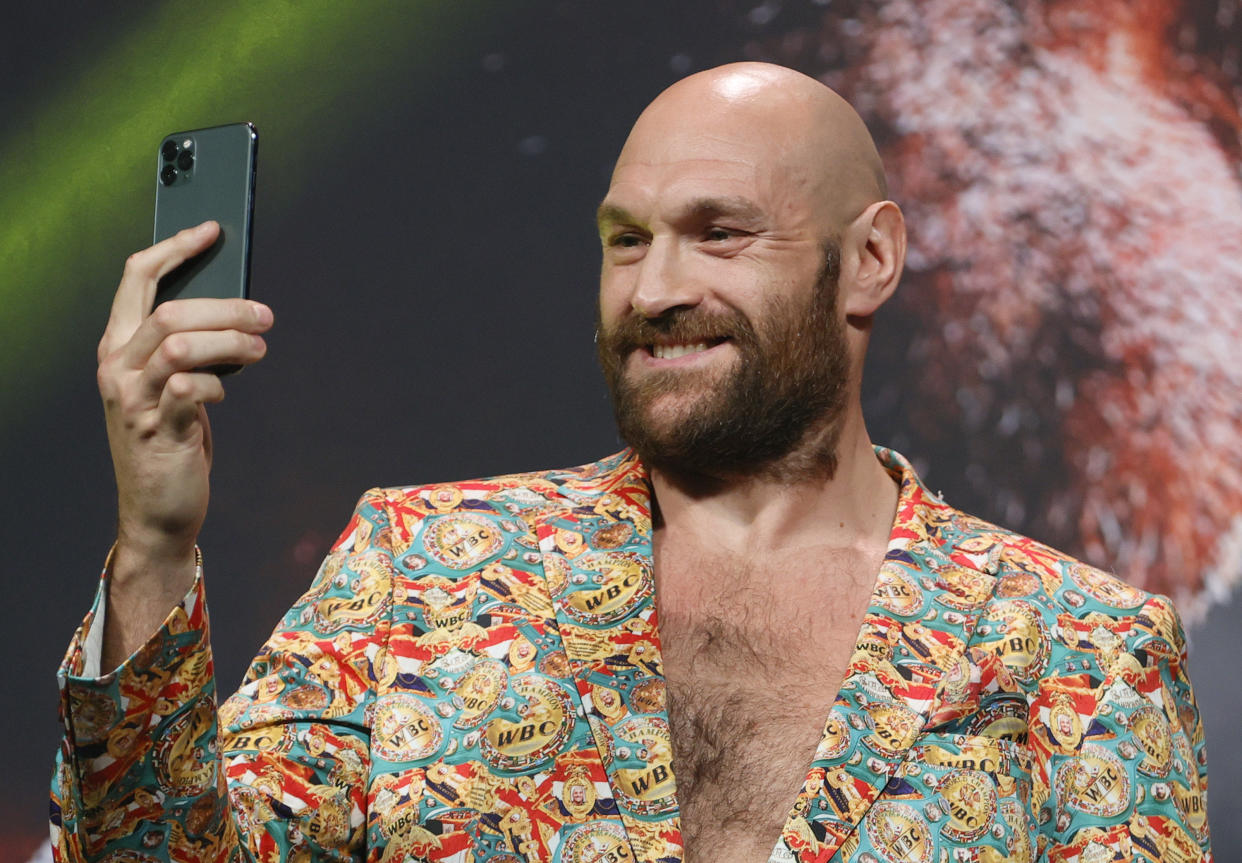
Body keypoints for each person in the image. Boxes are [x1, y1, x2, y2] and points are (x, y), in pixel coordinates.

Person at [52, 63, 1211, 863]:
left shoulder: (1083, 654)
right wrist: (156, 546)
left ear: (869, 261)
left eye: (720, 232)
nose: (655, 291)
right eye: (625, 241)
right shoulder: (417, 573)